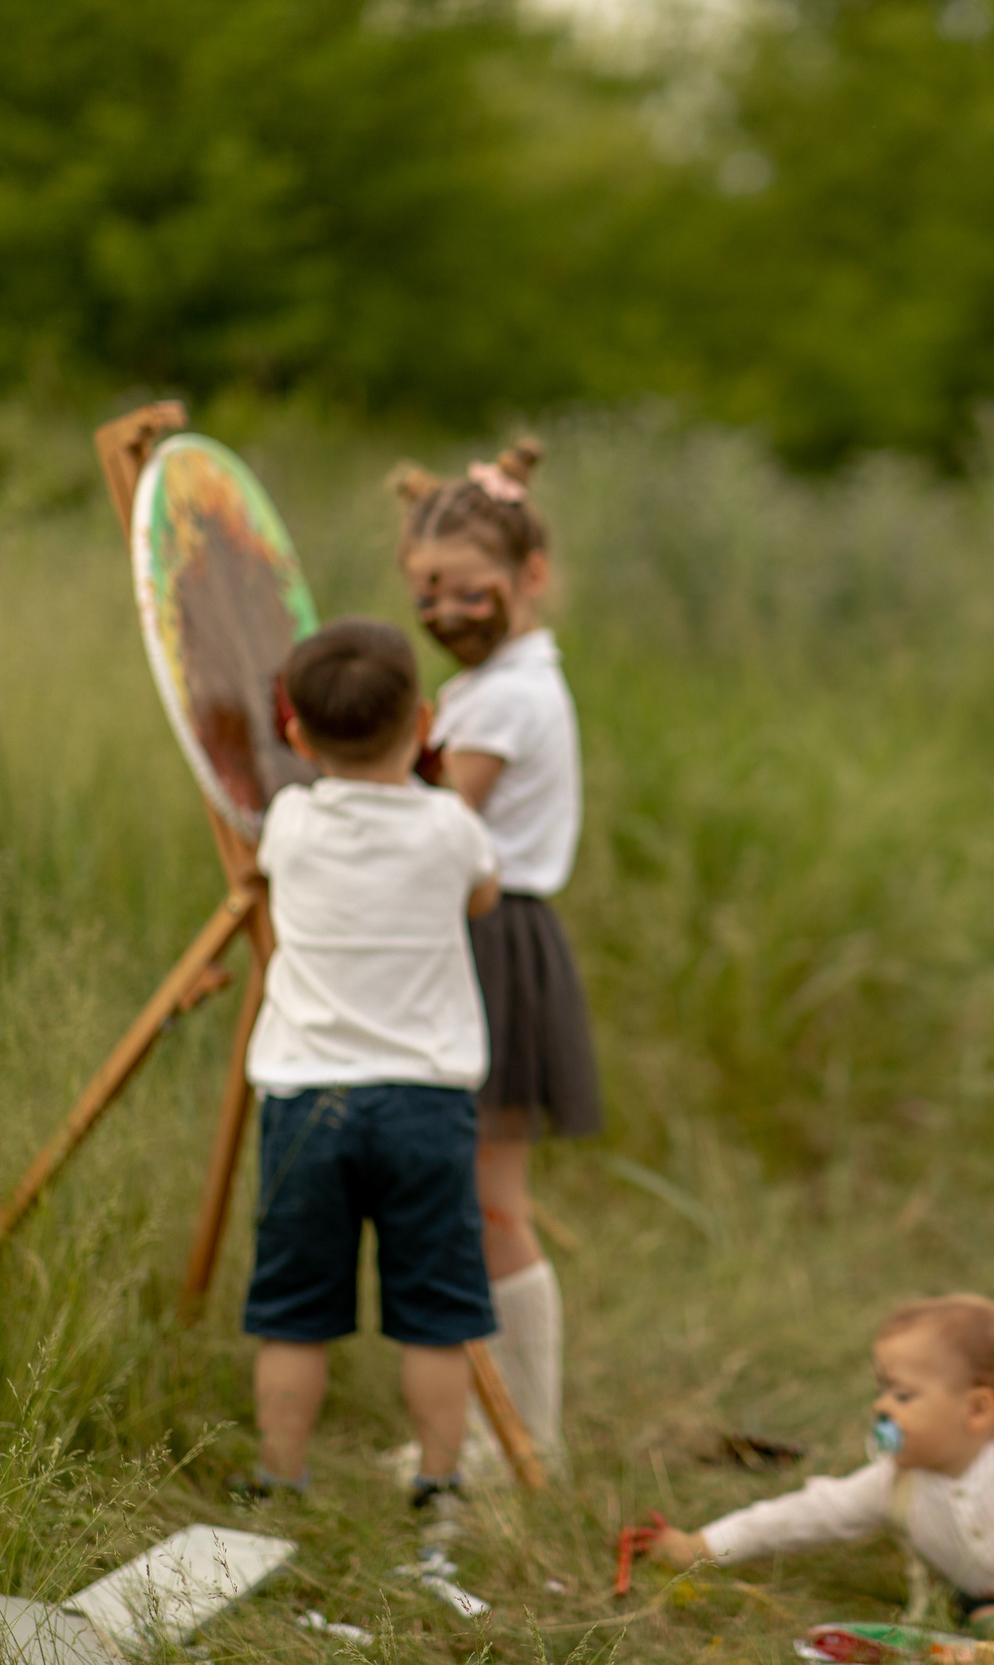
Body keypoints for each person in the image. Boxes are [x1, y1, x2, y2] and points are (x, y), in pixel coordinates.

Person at [236, 617, 503, 1517]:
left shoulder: (291, 822)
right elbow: (484, 894)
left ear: (299, 736)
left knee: (293, 1310)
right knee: (434, 1312)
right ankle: (439, 1485)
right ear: (425, 722)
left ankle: (280, 1478)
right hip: (425, 1105)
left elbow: (273, 866)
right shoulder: (450, 825)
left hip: (307, 1100)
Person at [392, 437, 601, 1463]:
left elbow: (437, 828)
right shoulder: (504, 680)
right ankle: (502, 1430)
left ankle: (517, 1437)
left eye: (467, 589)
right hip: (491, 938)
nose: (443, 612)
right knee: (481, 1198)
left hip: (495, 944)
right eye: (424, 591)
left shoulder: (506, 696)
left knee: (488, 1201)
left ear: (528, 577)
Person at [645, 1295, 994, 1642]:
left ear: (976, 1409)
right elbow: (803, 1514)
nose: (882, 1407)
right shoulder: (892, 1485)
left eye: (903, 1395)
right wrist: (701, 1546)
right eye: (881, 1390)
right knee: (988, 1623)